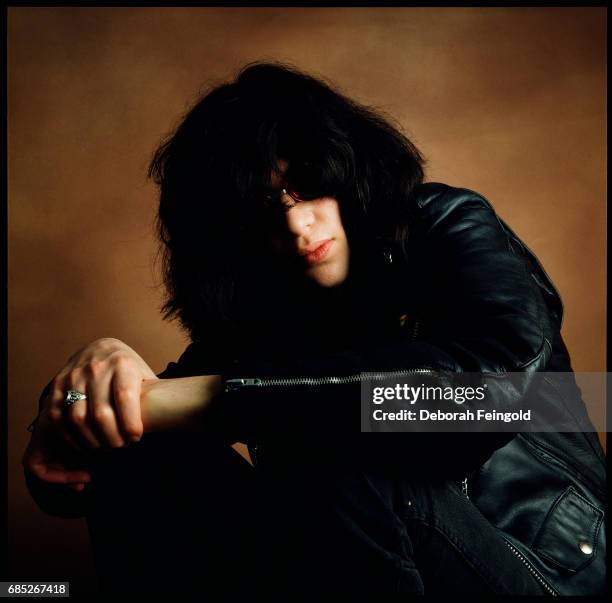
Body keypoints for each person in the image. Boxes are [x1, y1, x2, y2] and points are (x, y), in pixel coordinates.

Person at [22, 63, 605, 599]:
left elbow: (484, 396)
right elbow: (92, 462)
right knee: (140, 456)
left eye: (308, 184)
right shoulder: (269, 304)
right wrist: (86, 390)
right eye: (262, 208)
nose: (299, 224)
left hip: (546, 568)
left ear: (345, 168)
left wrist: (217, 397)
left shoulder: (445, 222)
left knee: (347, 455)